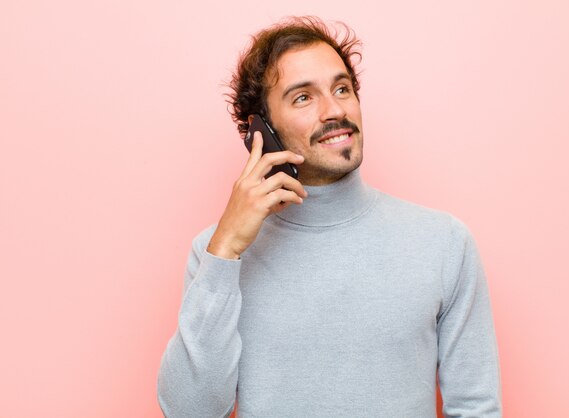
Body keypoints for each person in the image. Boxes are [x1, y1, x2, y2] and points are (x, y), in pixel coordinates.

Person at [157, 16, 502, 418]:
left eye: (342, 89)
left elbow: (476, 407)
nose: (334, 109)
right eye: (303, 97)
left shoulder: (444, 243)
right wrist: (226, 250)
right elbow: (187, 412)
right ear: (261, 131)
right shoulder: (215, 254)